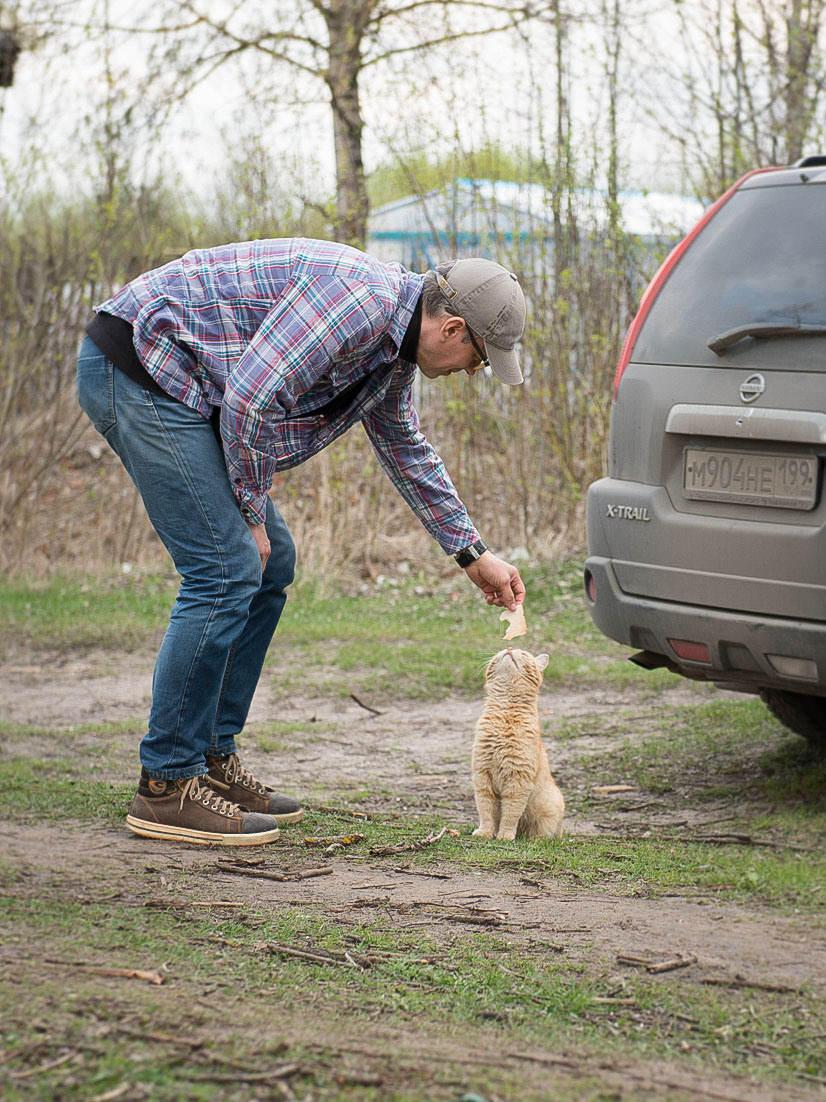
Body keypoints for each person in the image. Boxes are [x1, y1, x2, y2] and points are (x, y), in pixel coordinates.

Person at [75, 238, 528, 847]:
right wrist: (251, 512)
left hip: (186, 386)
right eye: (478, 359)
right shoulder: (361, 304)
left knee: (271, 560)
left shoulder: (391, 353)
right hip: (140, 367)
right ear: (451, 328)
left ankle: (210, 758)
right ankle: (167, 783)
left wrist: (472, 553)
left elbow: (406, 449)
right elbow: (252, 399)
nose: (471, 373)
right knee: (227, 567)